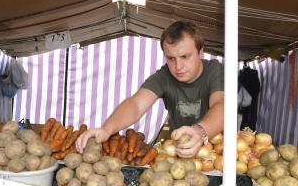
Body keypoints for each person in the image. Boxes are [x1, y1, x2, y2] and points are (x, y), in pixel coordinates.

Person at [76, 21, 224, 158]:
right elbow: (136, 104)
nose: (178, 66)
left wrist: (200, 132)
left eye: (185, 56)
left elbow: (222, 105)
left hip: (215, 153)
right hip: (180, 152)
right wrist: (106, 129)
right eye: (171, 58)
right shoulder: (164, 75)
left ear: (200, 52)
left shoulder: (215, 71)